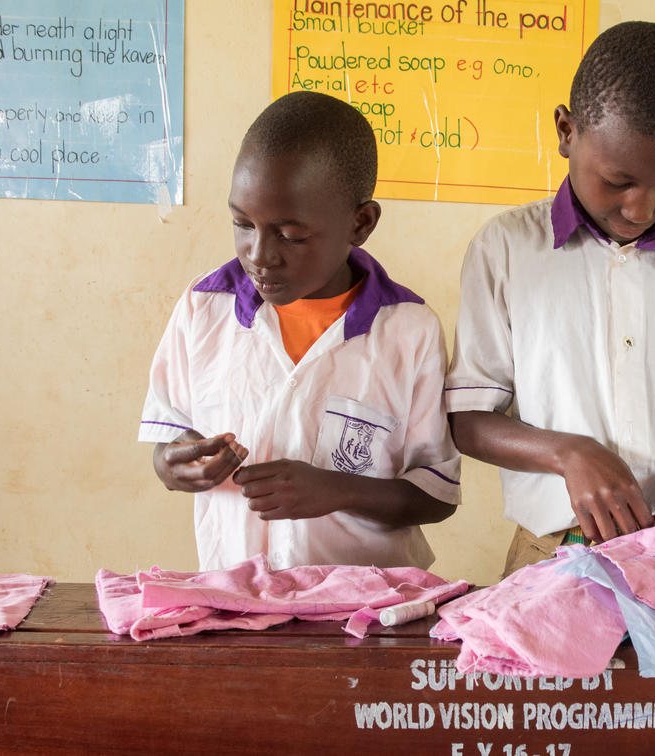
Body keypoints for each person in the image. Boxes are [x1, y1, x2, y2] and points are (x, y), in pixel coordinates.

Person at [446, 21, 655, 575]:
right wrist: (567, 453)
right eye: (617, 180)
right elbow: (470, 419)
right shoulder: (505, 250)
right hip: (550, 553)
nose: (639, 208)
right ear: (566, 131)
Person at [139, 92, 460, 571]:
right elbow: (170, 444)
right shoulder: (203, 309)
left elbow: (437, 495)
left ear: (360, 223)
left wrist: (337, 490)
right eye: (242, 224)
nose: (260, 254)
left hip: (365, 609)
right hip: (237, 602)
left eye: (290, 235)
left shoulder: (408, 332)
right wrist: (175, 465)